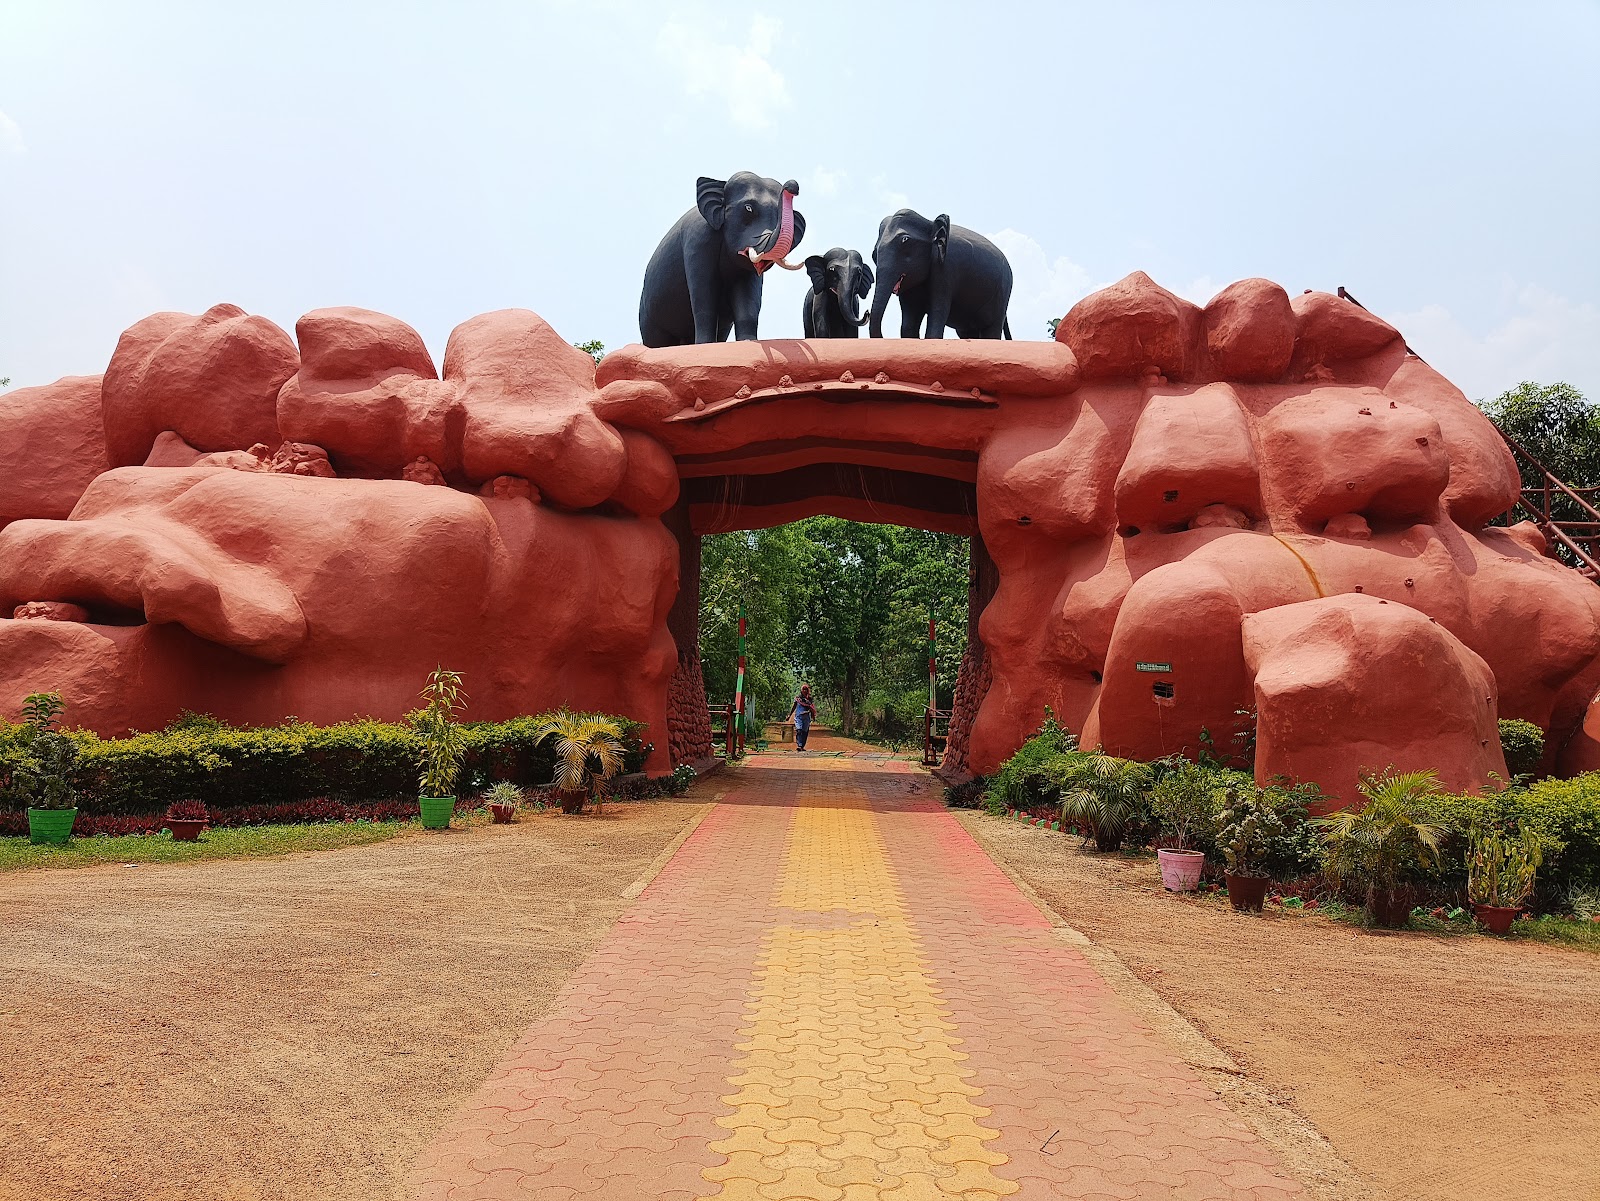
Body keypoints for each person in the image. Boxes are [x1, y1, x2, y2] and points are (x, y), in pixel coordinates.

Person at [786, 684, 816, 751]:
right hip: (798, 717)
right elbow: (794, 707)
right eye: (803, 689)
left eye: (806, 689)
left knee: (805, 732)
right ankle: (799, 745)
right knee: (799, 730)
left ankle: (802, 746)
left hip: (806, 717)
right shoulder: (798, 698)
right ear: (801, 690)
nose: (805, 691)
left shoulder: (809, 699)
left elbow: (812, 708)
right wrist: (789, 715)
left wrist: (812, 715)